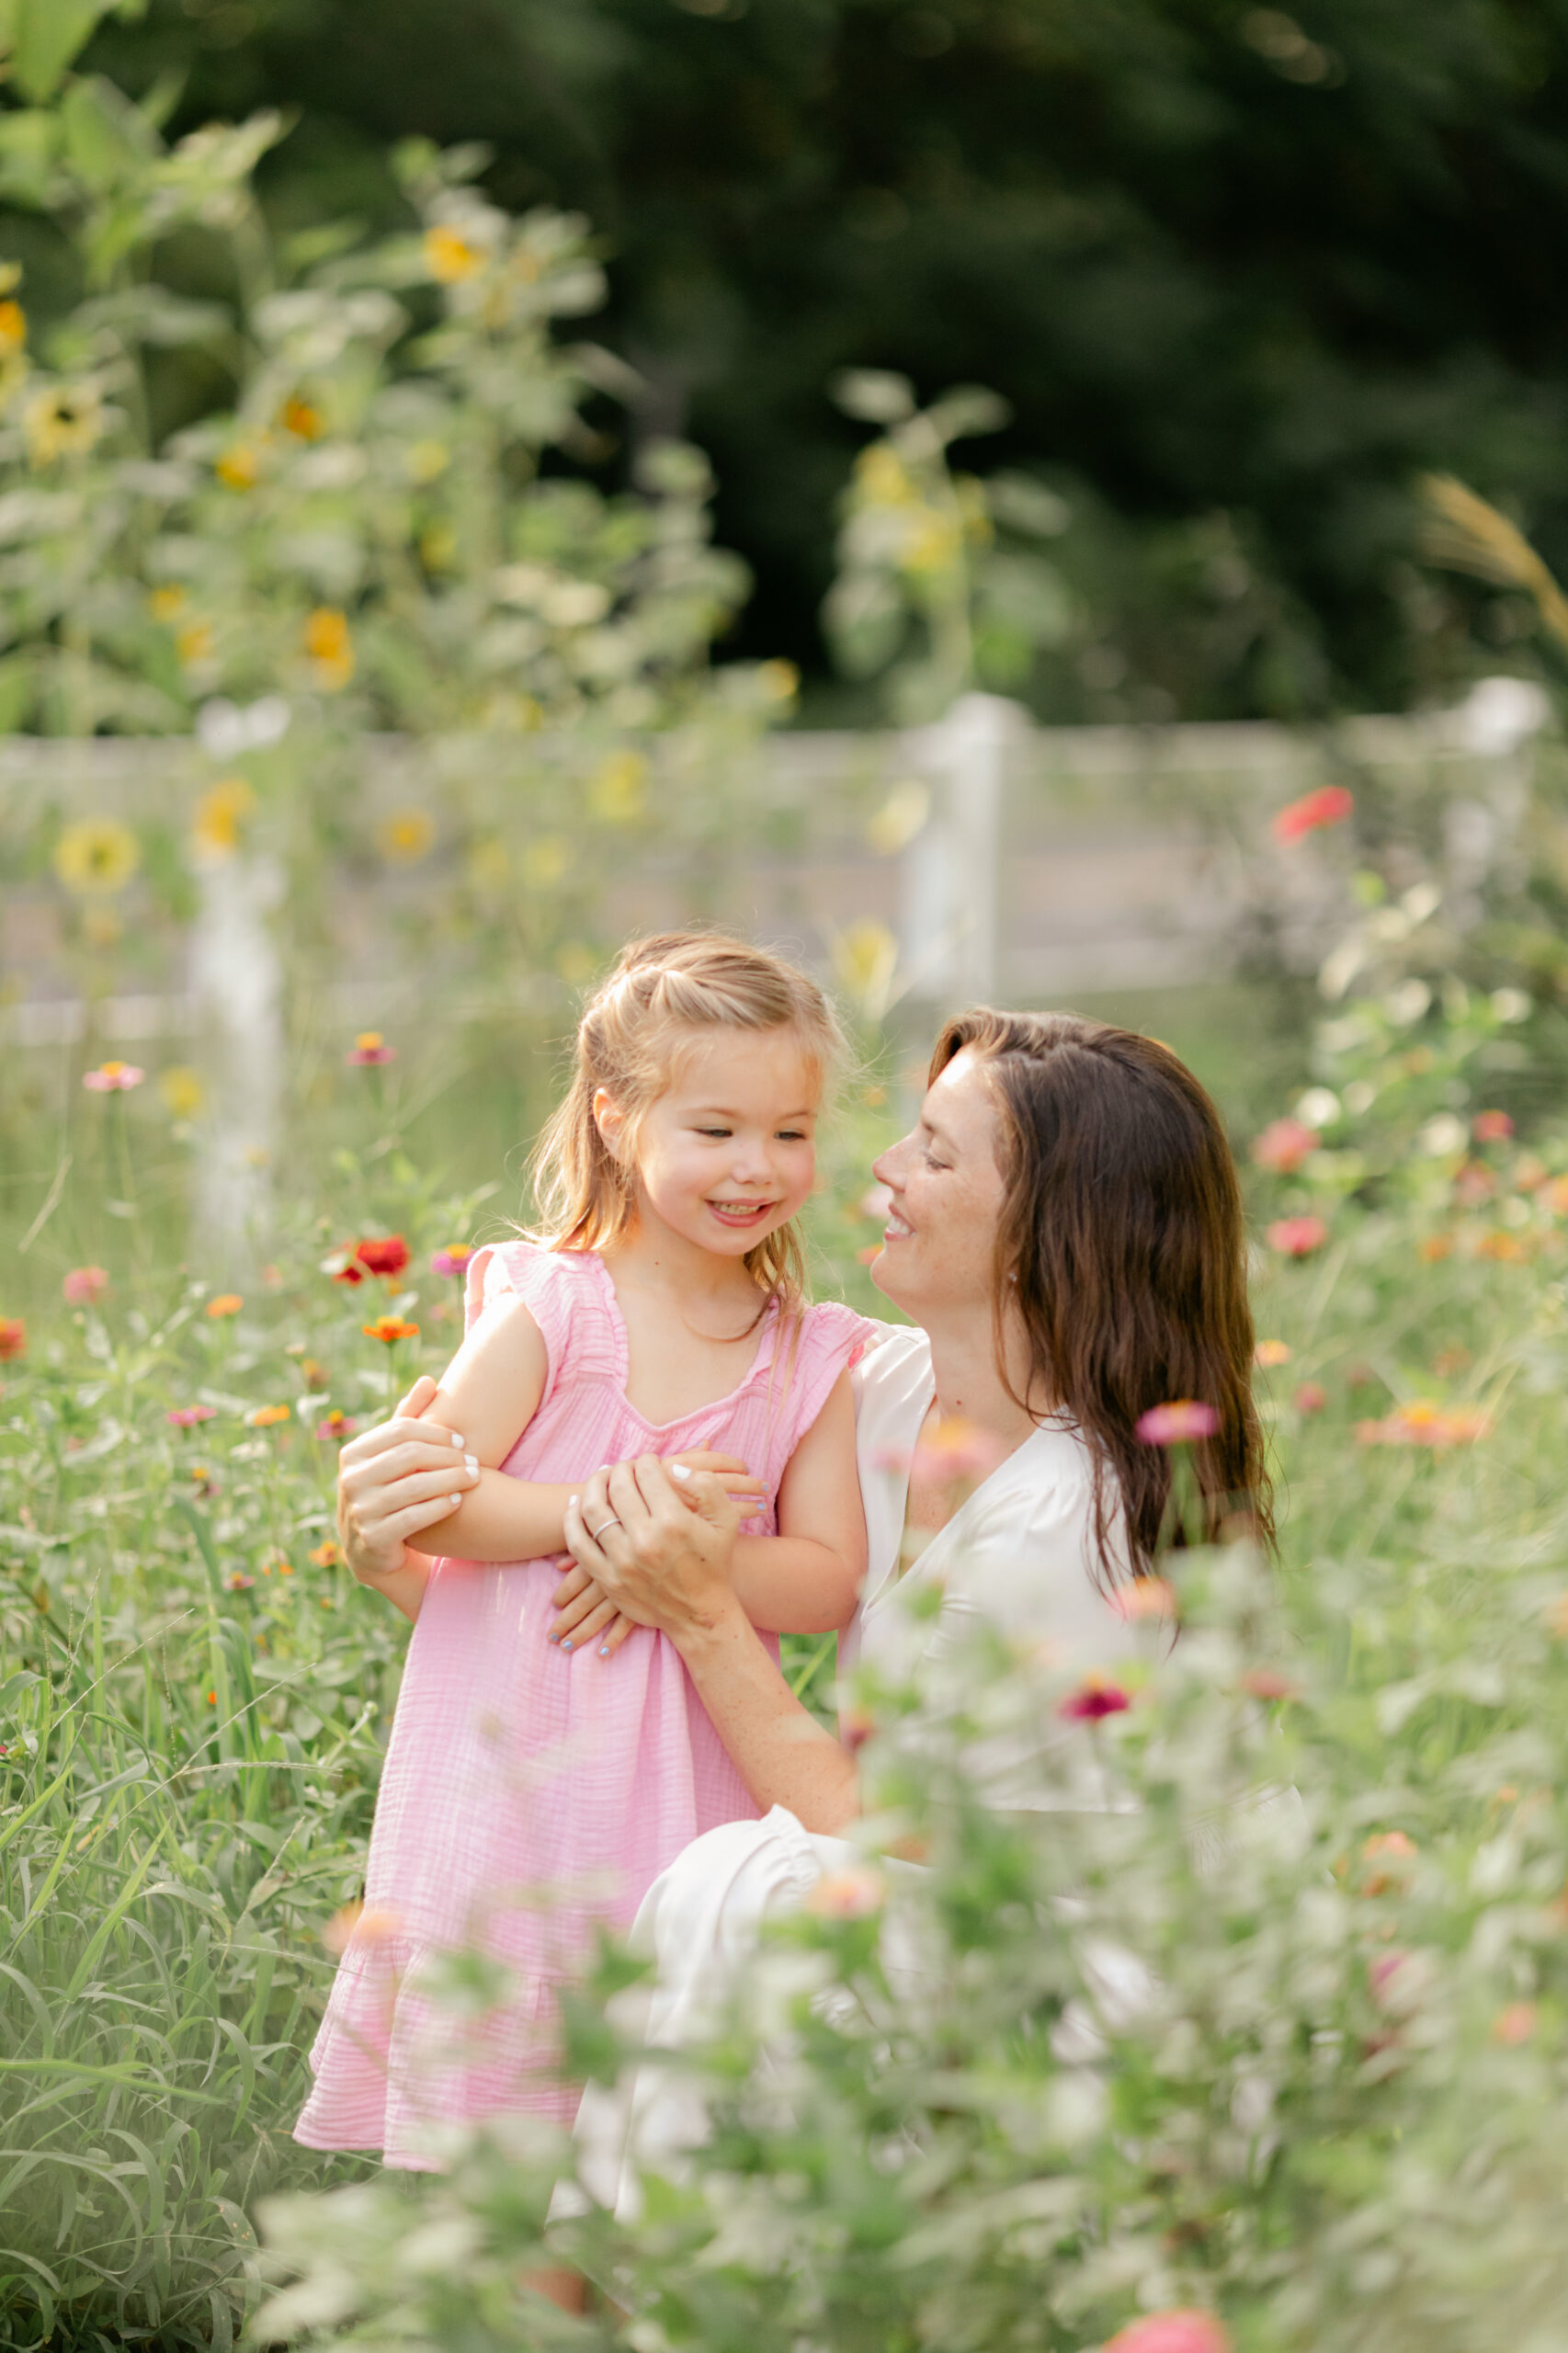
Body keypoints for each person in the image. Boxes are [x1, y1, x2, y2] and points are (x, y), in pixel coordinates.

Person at [333, 1008, 1270, 2206]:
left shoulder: (1069, 1529)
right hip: (912, 1917)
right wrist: (396, 1545)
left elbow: (916, 1848)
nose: (877, 1166)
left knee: (733, 1899)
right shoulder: (871, 1386)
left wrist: (708, 1617)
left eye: (932, 1152)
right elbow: (575, 1613)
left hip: (1033, 1985)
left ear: (1047, 1233)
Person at [296, 933, 872, 2170]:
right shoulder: (548, 1306)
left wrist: (690, 1558)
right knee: (514, 2146)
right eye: (714, 1130)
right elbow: (430, 1502)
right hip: (513, 1786)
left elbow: (826, 1577)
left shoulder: (806, 1355)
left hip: (690, 1787)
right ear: (615, 1119)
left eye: (789, 1132)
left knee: (658, 2133)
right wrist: (597, 1515)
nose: (756, 1167)